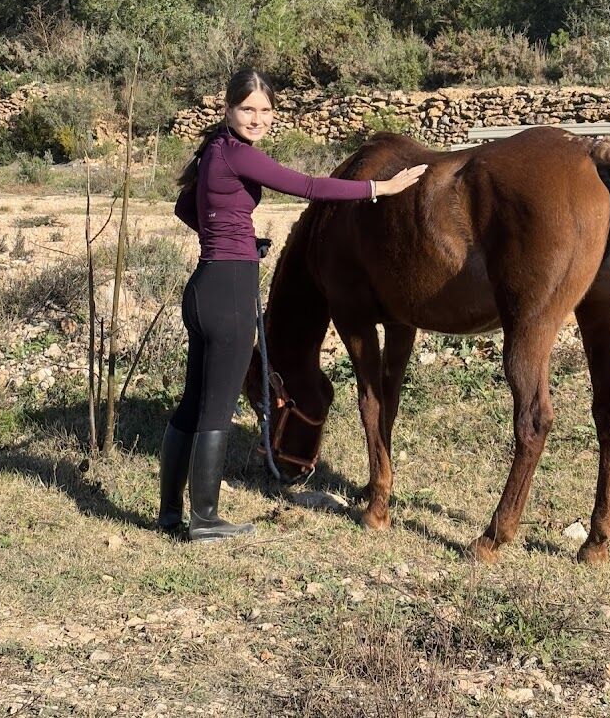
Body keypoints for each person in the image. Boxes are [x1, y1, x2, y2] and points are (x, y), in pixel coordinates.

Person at [159, 68, 427, 542]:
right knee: (216, 410)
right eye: (248, 109)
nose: (257, 119)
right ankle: (203, 519)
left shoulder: (214, 149)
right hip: (230, 295)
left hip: (204, 287)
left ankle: (169, 515)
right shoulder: (240, 155)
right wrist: (377, 189)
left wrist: (230, 236)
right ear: (228, 108)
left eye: (265, 110)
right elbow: (308, 187)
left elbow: (185, 207)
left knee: (193, 403)